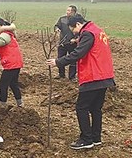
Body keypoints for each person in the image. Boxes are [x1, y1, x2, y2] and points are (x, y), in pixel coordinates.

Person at [46, 15, 116, 150]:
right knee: (96, 108)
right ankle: (96, 138)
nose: (74, 32)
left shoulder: (87, 33)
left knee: (81, 107)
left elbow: (78, 53)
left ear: (78, 24)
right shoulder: (97, 30)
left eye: (73, 29)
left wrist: (58, 62)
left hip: (93, 75)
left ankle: (86, 139)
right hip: (105, 76)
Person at [54, 5, 79, 81]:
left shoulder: (77, 22)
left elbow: (80, 32)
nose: (67, 12)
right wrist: (57, 29)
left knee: (73, 60)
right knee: (60, 58)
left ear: (73, 12)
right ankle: (61, 74)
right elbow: (56, 26)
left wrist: (75, 39)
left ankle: (72, 76)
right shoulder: (62, 19)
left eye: (69, 11)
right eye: (67, 10)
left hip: (72, 44)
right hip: (62, 43)